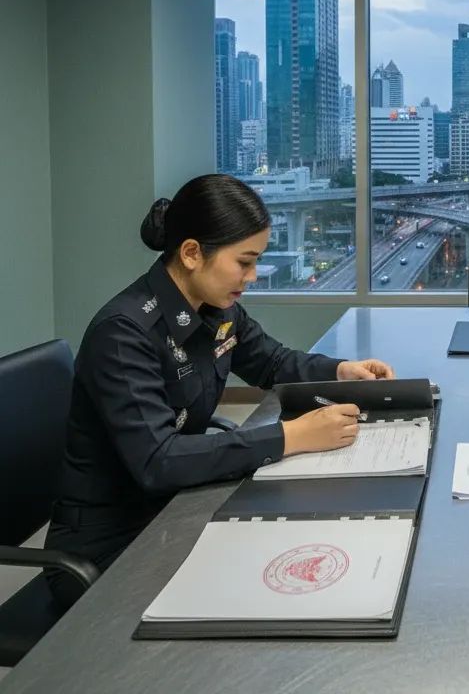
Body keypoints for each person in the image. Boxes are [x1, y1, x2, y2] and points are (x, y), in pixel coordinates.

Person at [44, 174, 395, 610]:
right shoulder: (123, 334)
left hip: (173, 509)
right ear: (192, 253)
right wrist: (290, 437)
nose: (252, 275)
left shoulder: (217, 308)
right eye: (244, 262)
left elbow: (271, 361)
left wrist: (342, 371)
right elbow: (159, 460)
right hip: (111, 545)